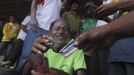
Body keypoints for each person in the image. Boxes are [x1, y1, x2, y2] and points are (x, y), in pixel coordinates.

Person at [75, 1, 134, 75]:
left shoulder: (117, 4)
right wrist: (105, 19)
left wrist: (116, 6)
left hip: (130, 54)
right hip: (116, 54)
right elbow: (120, 26)